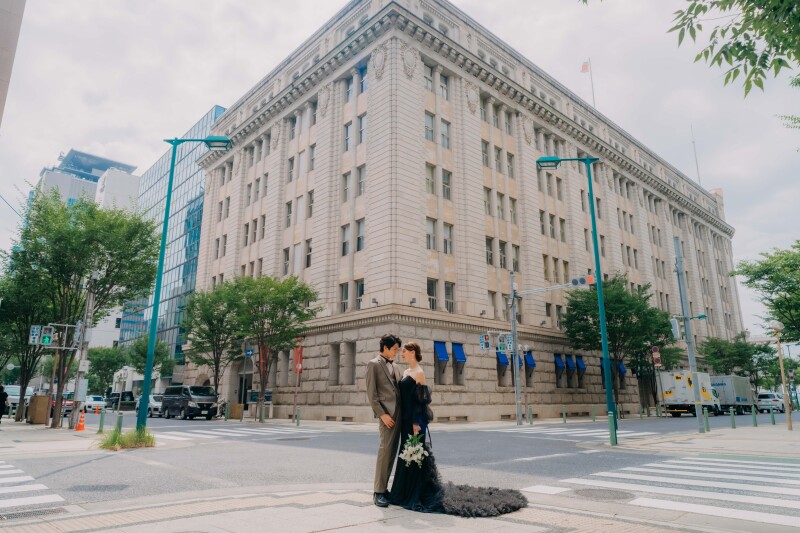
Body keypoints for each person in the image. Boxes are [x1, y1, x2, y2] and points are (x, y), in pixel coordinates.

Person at [389, 342, 528, 517]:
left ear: (413, 352)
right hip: (405, 421)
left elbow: (421, 402)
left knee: (415, 457)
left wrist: (417, 423)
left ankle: (413, 494)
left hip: (414, 422)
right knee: (405, 455)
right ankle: (401, 493)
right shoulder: (406, 372)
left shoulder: (419, 373)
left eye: (404, 351)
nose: (402, 353)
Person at [365, 333, 402, 507]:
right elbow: (372, 394)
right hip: (387, 415)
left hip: (400, 414)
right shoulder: (373, 364)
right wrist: (382, 414)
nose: (396, 352)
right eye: (394, 349)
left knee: (392, 453)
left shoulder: (396, 366)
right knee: (385, 451)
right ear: (385, 348)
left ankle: (385, 489)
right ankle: (378, 491)